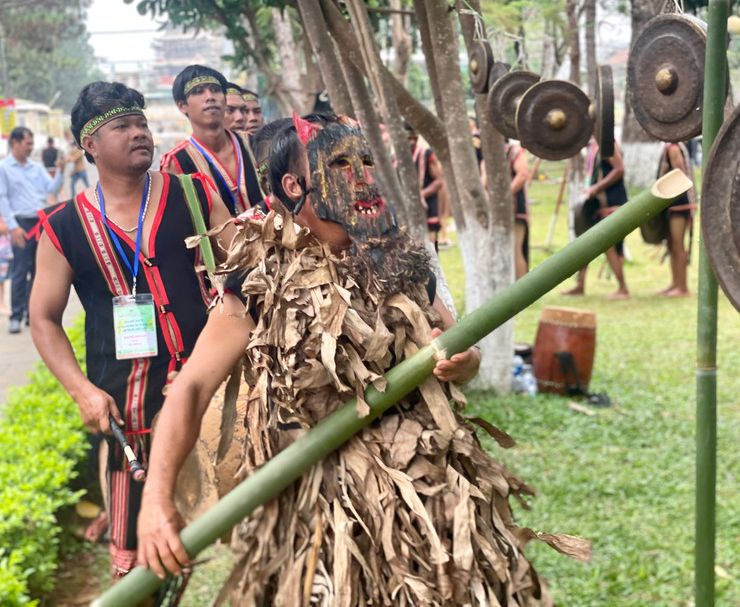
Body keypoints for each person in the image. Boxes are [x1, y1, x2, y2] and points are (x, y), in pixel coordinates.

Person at [137, 112, 587, 603]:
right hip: (320, 514)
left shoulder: (402, 259)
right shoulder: (260, 280)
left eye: (368, 162)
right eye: (340, 165)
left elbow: (463, 350)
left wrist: (465, 363)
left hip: (430, 498)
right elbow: (192, 387)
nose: (363, 178)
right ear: (293, 186)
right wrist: (155, 500)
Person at [29, 81, 235, 591]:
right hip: (131, 416)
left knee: (247, 529)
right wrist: (82, 391)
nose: (139, 132)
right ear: (90, 145)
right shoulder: (63, 227)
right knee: (137, 570)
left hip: (216, 396)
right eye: (122, 126)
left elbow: (246, 270)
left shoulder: (192, 195)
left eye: (141, 123)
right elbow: (43, 318)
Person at [160, 65, 265, 216]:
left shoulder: (255, 143)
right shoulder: (176, 163)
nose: (210, 97)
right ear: (182, 105)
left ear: (224, 99)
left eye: (215, 90)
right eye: (198, 91)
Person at [0, 126, 63, 333]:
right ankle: (16, 316)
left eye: (32, 143)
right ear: (15, 143)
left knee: (39, 272)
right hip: (21, 224)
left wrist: (60, 172)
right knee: (20, 271)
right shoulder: (4, 168)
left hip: (40, 222)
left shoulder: (36, 167)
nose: (31, 147)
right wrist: (13, 227)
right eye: (27, 143)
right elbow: (3, 199)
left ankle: (32, 314)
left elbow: (51, 189)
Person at [562, 139, 629, 298]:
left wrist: (596, 188)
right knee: (586, 242)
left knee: (609, 245)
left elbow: (619, 169)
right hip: (597, 204)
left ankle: (623, 288)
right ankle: (580, 285)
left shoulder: (608, 144)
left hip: (612, 202)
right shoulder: (593, 146)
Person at [656, 141, 695, 297]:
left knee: (678, 245)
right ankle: (675, 283)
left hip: (680, 204)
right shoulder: (670, 147)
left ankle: (682, 287)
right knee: (672, 245)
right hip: (672, 204)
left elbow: (680, 176)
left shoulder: (673, 148)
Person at [406, 123, 444, 251]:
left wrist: (422, 194)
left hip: (428, 203)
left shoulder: (426, 154)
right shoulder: (395, 158)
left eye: (415, 138)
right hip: (406, 205)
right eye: (409, 138)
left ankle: (435, 261)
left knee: (432, 244)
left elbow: (439, 180)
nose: (412, 142)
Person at [507, 139, 531, 279]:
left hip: (516, 209)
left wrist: (505, 196)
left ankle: (522, 288)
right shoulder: (489, 153)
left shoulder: (515, 152)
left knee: (515, 250)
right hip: (496, 212)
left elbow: (522, 175)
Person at [0, 213, 10, 316]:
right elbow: (5, 229)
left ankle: (1, 304)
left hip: (5, 253)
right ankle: (1, 304)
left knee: (2, 280)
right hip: (1, 253)